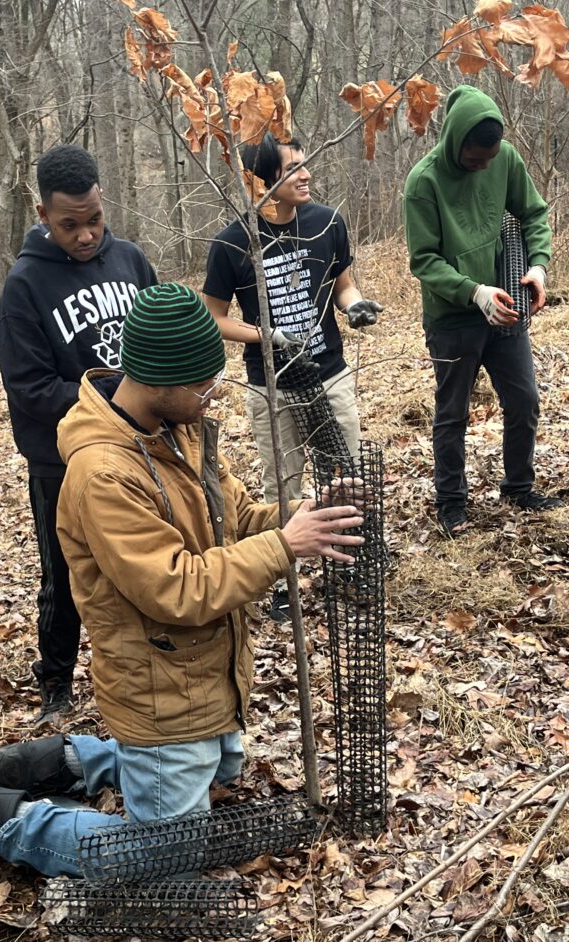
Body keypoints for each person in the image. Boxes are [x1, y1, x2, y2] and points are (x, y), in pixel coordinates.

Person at [0, 284, 365, 899]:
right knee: (165, 857)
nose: (214, 394)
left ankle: (65, 762)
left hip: (204, 674)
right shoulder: (104, 474)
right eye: (204, 386)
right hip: (160, 686)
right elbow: (176, 588)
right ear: (159, 381)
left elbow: (236, 517)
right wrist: (285, 547)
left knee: (224, 770)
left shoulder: (175, 425)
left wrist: (301, 516)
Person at [0, 144, 158, 722]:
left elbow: (161, 335)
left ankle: (151, 669)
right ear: (43, 214)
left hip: (140, 447)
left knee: (147, 562)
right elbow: (30, 388)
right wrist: (115, 398)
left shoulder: (131, 260)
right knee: (63, 577)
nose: (86, 235)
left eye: (94, 219)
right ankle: (56, 684)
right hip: (61, 461)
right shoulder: (24, 286)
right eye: (70, 225)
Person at [202, 131, 382, 621]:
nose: (306, 174)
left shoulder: (326, 223)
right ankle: (285, 580)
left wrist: (354, 306)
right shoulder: (232, 242)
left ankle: (351, 565)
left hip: (329, 373)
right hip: (271, 384)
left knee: (346, 473)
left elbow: (343, 285)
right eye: (293, 168)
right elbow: (213, 316)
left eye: (305, 163)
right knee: (284, 484)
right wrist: (268, 336)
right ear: (262, 181)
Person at [404, 85, 561, 538]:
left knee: (524, 400)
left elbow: (533, 213)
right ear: (456, 142)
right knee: (453, 411)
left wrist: (537, 266)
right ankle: (451, 502)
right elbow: (424, 261)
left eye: (490, 158)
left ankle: (519, 487)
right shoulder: (423, 182)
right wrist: (474, 293)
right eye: (476, 159)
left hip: (506, 306)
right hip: (453, 318)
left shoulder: (504, 158)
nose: (485, 166)